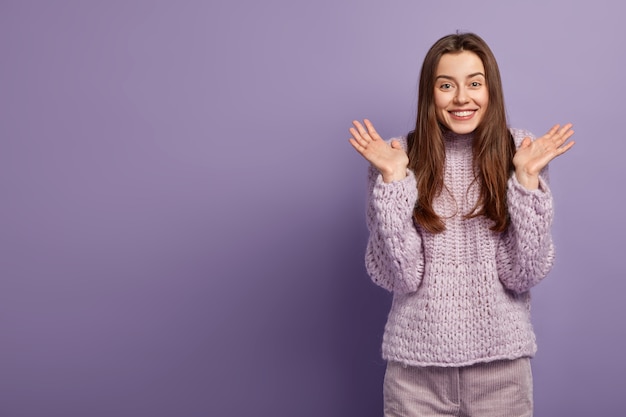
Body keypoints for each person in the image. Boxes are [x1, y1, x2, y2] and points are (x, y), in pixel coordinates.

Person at [348, 32, 575, 417]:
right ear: (429, 93)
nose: (461, 98)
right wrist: (392, 182)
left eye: (474, 83)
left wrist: (526, 182)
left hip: (502, 372)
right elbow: (399, 277)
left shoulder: (521, 152)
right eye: (446, 85)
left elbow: (523, 274)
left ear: (491, 89)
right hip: (415, 377)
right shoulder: (395, 157)